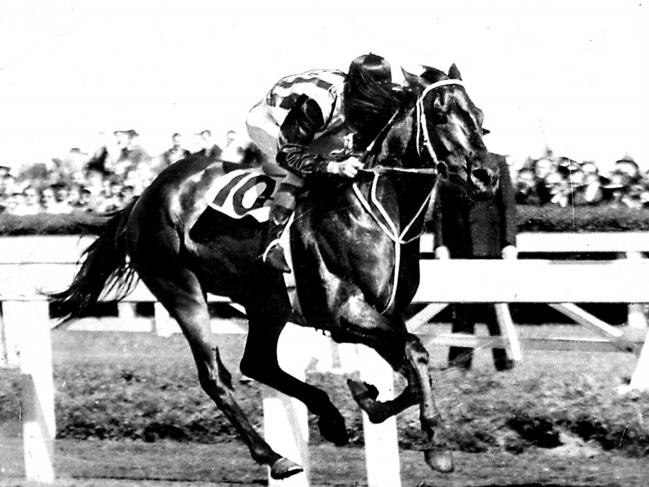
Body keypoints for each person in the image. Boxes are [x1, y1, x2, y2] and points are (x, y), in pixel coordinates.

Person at [246, 53, 400, 272]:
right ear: (357, 91)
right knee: (300, 172)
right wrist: (332, 166)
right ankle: (273, 241)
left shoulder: (354, 95)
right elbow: (289, 153)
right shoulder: (319, 103)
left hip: (317, 124)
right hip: (270, 122)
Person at [432, 153, 518, 372]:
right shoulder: (450, 165)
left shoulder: (497, 162)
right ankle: (459, 365)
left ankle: (504, 362)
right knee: (462, 309)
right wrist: (440, 244)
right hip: (460, 245)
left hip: (490, 245)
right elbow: (440, 208)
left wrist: (509, 243)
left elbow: (508, 204)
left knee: (494, 307)